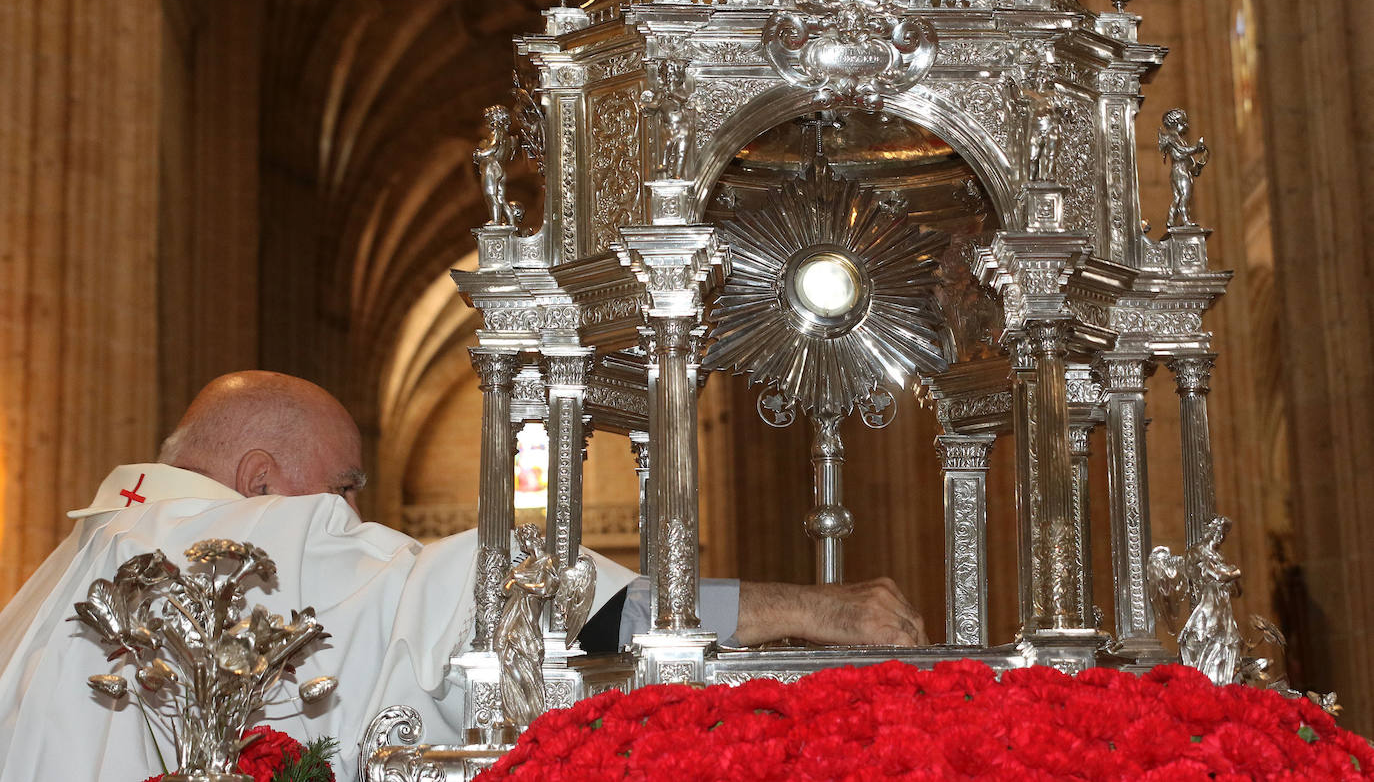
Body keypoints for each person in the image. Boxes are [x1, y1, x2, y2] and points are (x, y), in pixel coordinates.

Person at [0, 371, 926, 780]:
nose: (352, 518)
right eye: (346, 485)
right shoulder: (259, 535)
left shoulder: (43, 591)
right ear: (258, 478)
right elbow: (495, 592)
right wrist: (804, 606)